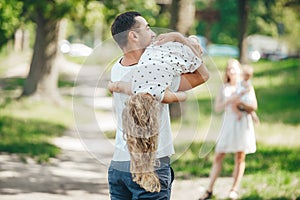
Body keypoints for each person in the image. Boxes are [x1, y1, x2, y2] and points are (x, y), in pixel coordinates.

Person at [108, 11, 209, 200]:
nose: (153, 33)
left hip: (118, 166)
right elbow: (202, 75)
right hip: (150, 165)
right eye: (147, 28)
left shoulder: (117, 68)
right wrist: (180, 39)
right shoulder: (153, 70)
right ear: (133, 36)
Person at [199, 59, 258, 200]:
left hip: (242, 123)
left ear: (239, 70)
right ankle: (209, 189)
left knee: (240, 155)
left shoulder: (246, 85)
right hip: (228, 123)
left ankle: (234, 189)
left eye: (234, 68)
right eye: (229, 69)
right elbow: (218, 108)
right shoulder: (224, 87)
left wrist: (241, 104)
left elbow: (254, 106)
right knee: (219, 154)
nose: (232, 71)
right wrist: (231, 100)